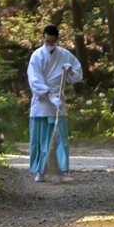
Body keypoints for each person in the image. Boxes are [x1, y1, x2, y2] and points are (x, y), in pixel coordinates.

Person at [27, 25, 83, 182]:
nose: (49, 44)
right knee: (41, 139)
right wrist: (50, 96)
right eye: (46, 41)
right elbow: (34, 80)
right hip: (42, 102)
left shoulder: (65, 55)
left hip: (59, 101)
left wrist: (70, 71)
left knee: (59, 139)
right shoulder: (37, 56)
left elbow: (77, 76)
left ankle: (58, 172)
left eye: (52, 42)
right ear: (43, 39)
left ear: (57, 40)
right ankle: (40, 171)